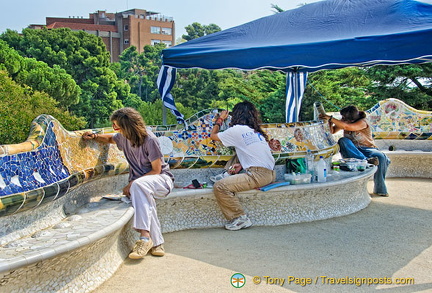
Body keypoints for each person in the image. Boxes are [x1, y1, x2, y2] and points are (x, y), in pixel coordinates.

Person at [82, 107, 174, 259]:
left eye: (116, 126)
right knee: (144, 197)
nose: (115, 129)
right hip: (141, 186)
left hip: (161, 181)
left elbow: (156, 170)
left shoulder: (150, 140)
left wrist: (131, 184)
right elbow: (110, 139)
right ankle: (157, 243)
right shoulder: (124, 138)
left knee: (138, 187)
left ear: (127, 126)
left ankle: (144, 237)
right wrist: (94, 136)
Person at [210, 101, 276, 230]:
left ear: (236, 115)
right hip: (270, 173)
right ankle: (225, 174)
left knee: (220, 187)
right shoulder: (256, 132)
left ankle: (239, 218)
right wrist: (241, 164)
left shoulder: (236, 130)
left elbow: (213, 136)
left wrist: (220, 119)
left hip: (257, 175)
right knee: (238, 152)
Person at [320, 105, 390, 197]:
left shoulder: (363, 122)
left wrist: (331, 118)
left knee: (380, 157)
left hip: (368, 149)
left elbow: (347, 126)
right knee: (343, 141)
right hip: (353, 151)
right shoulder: (345, 121)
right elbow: (332, 130)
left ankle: (381, 189)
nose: (342, 119)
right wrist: (328, 121)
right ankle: (366, 161)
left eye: (344, 118)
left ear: (351, 120)